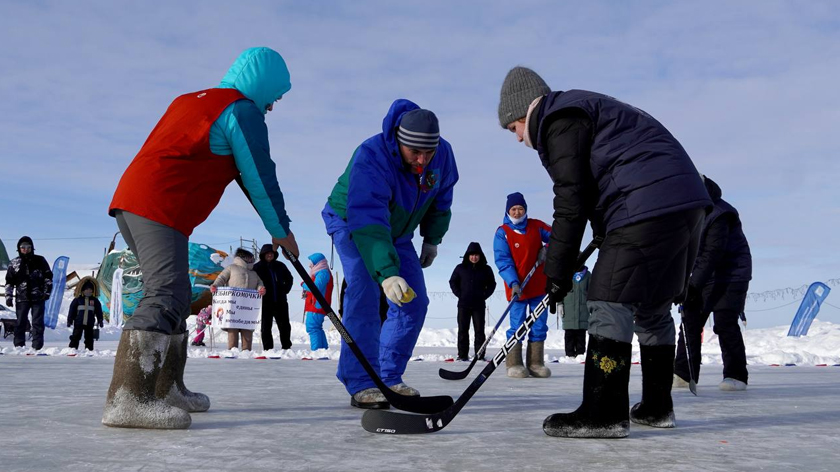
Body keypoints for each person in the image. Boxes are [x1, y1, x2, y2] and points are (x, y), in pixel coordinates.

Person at [498, 66, 711, 438]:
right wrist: (598, 236)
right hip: (687, 206)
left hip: (644, 206)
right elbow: (601, 187)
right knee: (653, 305)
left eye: (512, 129)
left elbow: (571, 200)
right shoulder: (588, 108)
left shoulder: (558, 120)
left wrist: (557, 272)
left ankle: (603, 412)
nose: (518, 139)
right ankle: (657, 407)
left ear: (522, 112)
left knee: (608, 299)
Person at [103, 47, 299, 430]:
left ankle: (166, 389)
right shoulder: (242, 111)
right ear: (262, 85)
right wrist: (281, 230)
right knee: (164, 294)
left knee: (175, 294)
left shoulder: (191, 101)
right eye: (274, 97)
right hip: (159, 205)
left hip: (134, 201)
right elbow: (260, 175)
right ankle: (128, 399)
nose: (272, 107)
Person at [322, 100, 458, 409]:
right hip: (351, 220)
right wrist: (387, 272)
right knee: (366, 289)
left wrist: (432, 239)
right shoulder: (371, 156)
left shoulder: (443, 155)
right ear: (399, 141)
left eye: (429, 153)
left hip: (398, 231)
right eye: (415, 154)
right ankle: (361, 382)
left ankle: (389, 376)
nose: (422, 161)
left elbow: (442, 199)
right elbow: (368, 218)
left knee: (415, 300)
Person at [674, 175, 752, 391]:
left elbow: (712, 252)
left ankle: (736, 376)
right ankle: (683, 373)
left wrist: (692, 286)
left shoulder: (720, 213)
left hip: (731, 275)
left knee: (725, 322)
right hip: (703, 274)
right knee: (689, 319)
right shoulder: (687, 213)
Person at [493, 193, 552, 378]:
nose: (517, 212)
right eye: (513, 209)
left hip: (538, 285)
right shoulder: (502, 232)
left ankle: (536, 363)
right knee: (518, 325)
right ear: (507, 211)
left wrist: (548, 248)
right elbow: (503, 261)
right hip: (517, 287)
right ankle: (514, 363)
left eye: (520, 209)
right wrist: (513, 282)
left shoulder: (536, 226)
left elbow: (559, 236)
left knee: (539, 324)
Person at [449, 242, 497, 361]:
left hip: (479, 305)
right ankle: (462, 355)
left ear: (480, 256)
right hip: (463, 305)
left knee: (479, 331)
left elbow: (492, 284)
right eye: (471, 255)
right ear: (467, 256)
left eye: (476, 255)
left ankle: (480, 355)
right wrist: (460, 294)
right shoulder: (460, 268)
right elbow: (452, 281)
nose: (474, 257)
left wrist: (484, 295)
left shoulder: (486, 269)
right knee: (463, 330)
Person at [211, 248, 266, 351]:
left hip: (248, 307)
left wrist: (261, 289)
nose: (253, 259)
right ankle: (232, 351)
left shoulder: (253, 273)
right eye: (251, 257)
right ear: (243, 257)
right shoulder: (231, 268)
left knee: (248, 330)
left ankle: (246, 351)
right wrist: (215, 285)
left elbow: (260, 283)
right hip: (233, 306)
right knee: (233, 329)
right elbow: (221, 278)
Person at [4, 236, 52, 350]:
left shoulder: (40, 260)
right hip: (22, 298)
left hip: (38, 297)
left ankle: (37, 346)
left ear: (32, 248)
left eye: (28, 247)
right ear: (19, 249)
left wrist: (47, 292)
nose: (25, 249)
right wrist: (8, 296)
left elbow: (48, 277)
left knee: (37, 323)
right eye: (23, 247)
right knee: (20, 322)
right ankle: (19, 346)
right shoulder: (14, 263)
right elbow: (9, 281)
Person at [254, 244, 294, 350]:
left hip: (280, 301)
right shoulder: (257, 267)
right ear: (263, 254)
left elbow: (289, 278)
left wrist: (285, 289)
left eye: (271, 253)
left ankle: (286, 347)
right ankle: (268, 349)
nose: (270, 255)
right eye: (267, 253)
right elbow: (254, 282)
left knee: (284, 325)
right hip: (265, 302)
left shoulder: (280, 265)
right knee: (266, 327)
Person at [301, 253, 333, 350]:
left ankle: (316, 350)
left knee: (312, 327)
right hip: (315, 304)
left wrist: (303, 284)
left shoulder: (323, 272)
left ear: (317, 263)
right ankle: (322, 350)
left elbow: (315, 287)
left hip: (317, 305)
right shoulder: (320, 272)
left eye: (312, 263)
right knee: (317, 327)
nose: (309, 265)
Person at [67, 277, 104, 351]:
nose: (89, 291)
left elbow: (99, 311)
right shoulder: (78, 300)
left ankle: (89, 350)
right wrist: (70, 320)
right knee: (76, 336)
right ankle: (72, 349)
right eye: (87, 289)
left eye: (90, 289)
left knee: (89, 337)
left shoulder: (95, 300)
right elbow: (72, 310)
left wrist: (100, 320)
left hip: (89, 323)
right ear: (83, 290)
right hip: (79, 322)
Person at [562, 266, 591, 357]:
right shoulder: (565, 274)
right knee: (569, 335)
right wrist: (559, 303)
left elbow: (592, 292)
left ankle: (580, 355)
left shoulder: (587, 275)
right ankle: (569, 355)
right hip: (568, 312)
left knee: (581, 335)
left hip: (583, 312)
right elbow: (559, 290)